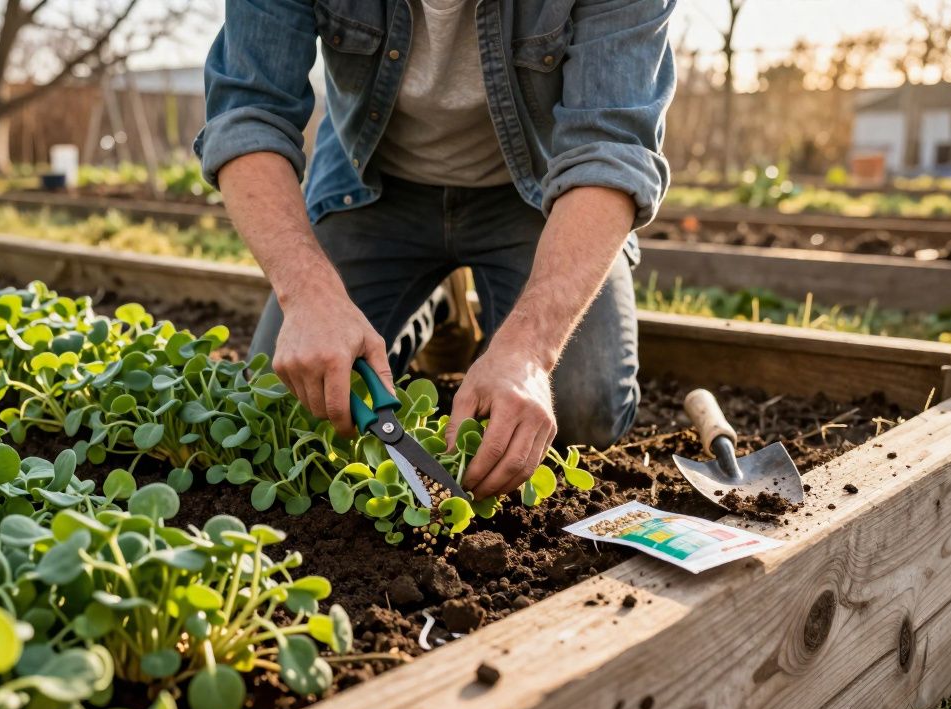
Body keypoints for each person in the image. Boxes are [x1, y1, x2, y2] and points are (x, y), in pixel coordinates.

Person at [195, 0, 675, 498]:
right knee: (294, 400)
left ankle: (460, 298)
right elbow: (248, 115)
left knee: (581, 411)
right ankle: (439, 302)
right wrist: (308, 294)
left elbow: (611, 149)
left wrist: (530, 350)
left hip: (540, 192)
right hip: (371, 183)